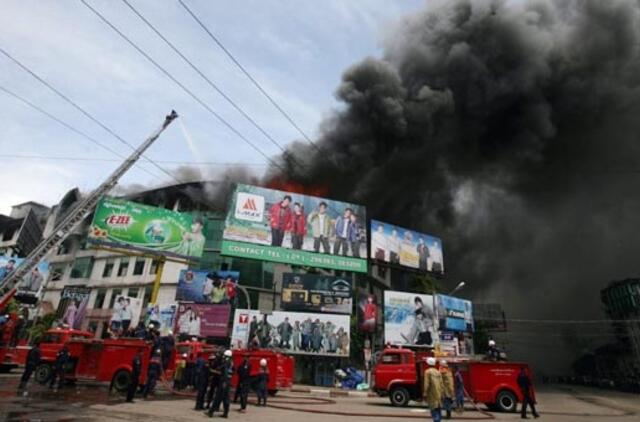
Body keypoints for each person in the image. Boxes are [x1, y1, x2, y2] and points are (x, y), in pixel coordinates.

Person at [209, 350, 233, 418]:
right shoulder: (231, 362)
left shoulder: (226, 362)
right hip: (228, 381)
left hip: (224, 381)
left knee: (218, 397)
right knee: (226, 398)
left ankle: (211, 412)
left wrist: (224, 381)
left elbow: (224, 372)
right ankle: (226, 413)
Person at [423, 357, 444, 422]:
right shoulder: (438, 372)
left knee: (433, 409)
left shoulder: (427, 372)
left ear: (428, 364)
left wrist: (425, 393)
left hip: (432, 394)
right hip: (439, 393)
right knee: (438, 409)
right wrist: (442, 394)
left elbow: (426, 384)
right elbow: (441, 384)